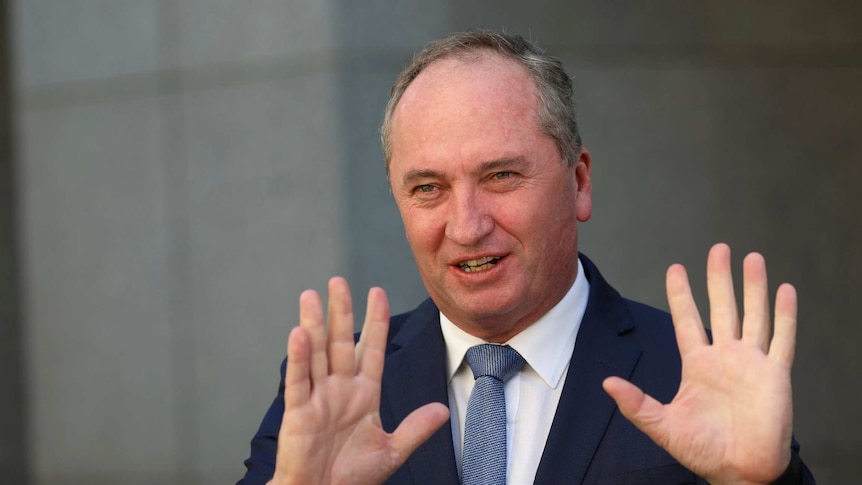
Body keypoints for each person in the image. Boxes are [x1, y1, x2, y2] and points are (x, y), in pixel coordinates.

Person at [240, 30, 815, 484]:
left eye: (501, 176)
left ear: (579, 181)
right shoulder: (331, 392)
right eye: (428, 189)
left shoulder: (692, 373)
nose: (467, 226)